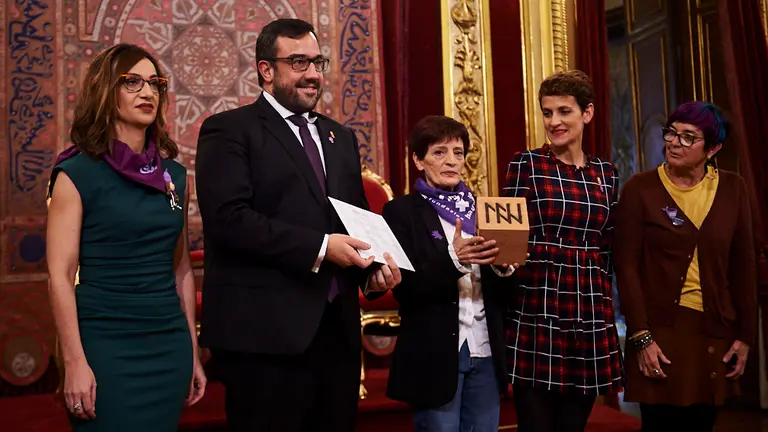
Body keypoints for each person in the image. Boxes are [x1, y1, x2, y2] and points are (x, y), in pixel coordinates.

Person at [195, 18, 402, 432]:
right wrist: (322, 247)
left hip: (336, 334)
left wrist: (373, 270)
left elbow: (354, 216)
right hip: (265, 337)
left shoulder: (339, 138)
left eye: (318, 62)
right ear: (266, 70)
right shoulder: (229, 130)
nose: (313, 74)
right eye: (299, 63)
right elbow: (228, 221)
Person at [46, 44, 206, 431]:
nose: (148, 92)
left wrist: (193, 353)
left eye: (155, 84)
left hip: (167, 344)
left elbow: (181, 267)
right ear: (105, 90)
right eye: (132, 82)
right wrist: (75, 362)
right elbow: (60, 276)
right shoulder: (76, 173)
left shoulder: (175, 177)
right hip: (104, 344)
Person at [614, 101, 756, 431]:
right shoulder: (640, 189)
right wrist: (640, 337)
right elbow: (627, 267)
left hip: (713, 333)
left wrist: (745, 336)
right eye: (671, 133)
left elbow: (743, 267)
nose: (674, 143)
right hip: (659, 335)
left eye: (688, 137)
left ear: (713, 148)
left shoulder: (733, 189)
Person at [502, 70, 623, 432]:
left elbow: (609, 244)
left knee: (573, 424)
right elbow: (507, 239)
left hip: (589, 307)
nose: (554, 122)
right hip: (537, 305)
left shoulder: (607, 173)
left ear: (586, 113)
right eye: (547, 112)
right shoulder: (526, 164)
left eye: (564, 111)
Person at [382, 115, 519, 431]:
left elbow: (510, 296)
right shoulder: (401, 213)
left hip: (485, 351)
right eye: (439, 153)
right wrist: (453, 260)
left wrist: (503, 270)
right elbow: (406, 290)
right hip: (435, 355)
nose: (451, 161)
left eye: (458, 153)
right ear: (419, 160)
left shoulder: (487, 210)